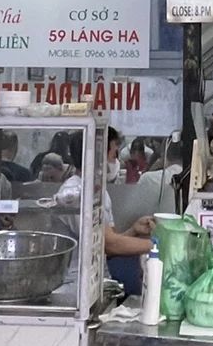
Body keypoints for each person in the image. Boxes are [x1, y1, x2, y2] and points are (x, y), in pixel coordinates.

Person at [55, 126, 153, 296]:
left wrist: (134, 230)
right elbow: (109, 244)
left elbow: (106, 242)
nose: (116, 161)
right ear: (98, 155)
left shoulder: (99, 191)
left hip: (96, 283)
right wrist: (160, 245)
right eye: (114, 154)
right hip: (74, 288)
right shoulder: (75, 193)